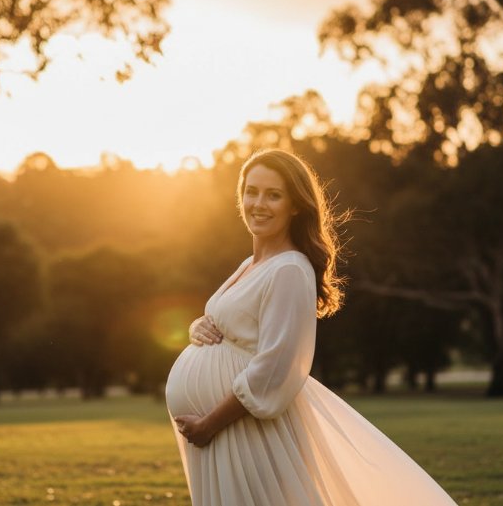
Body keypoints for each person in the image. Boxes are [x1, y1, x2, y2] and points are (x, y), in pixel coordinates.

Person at [164, 148, 458, 506]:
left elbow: (276, 366)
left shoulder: (289, 269)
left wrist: (209, 423)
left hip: (242, 431)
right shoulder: (250, 264)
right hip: (223, 433)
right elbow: (230, 324)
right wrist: (199, 328)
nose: (259, 203)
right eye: (251, 191)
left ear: (295, 205)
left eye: (274, 195)